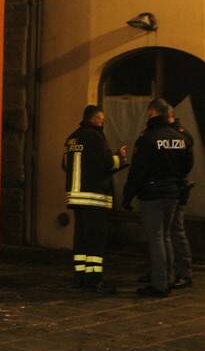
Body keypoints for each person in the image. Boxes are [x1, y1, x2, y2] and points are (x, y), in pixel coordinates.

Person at [123, 98, 191, 298]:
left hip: (152, 194)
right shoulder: (181, 138)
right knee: (167, 236)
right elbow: (187, 165)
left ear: (153, 114)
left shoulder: (148, 139)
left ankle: (159, 283)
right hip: (173, 192)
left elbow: (138, 171)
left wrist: (128, 195)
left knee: (156, 239)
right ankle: (168, 278)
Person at [62, 105, 128, 292]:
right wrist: (120, 158)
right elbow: (106, 163)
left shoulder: (72, 138)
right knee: (96, 239)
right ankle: (94, 279)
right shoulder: (96, 137)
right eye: (101, 118)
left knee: (81, 237)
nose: (103, 122)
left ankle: (79, 277)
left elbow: (65, 164)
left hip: (76, 197)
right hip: (94, 197)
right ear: (94, 118)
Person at [168, 107, 195, 289]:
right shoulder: (180, 135)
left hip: (174, 188)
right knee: (164, 233)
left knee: (175, 231)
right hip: (173, 187)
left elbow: (186, 163)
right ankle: (164, 270)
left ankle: (183, 272)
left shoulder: (179, 135)